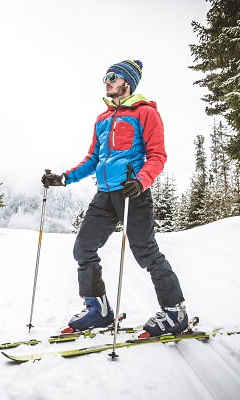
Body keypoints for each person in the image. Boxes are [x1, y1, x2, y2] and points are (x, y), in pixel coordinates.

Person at [41, 60, 188, 337]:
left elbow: (157, 156)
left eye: (113, 77)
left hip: (133, 192)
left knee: (146, 253)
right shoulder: (102, 119)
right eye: (106, 77)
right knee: (83, 249)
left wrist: (141, 181)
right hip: (105, 194)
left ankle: (175, 312)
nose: (106, 81)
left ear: (127, 83)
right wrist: (63, 178)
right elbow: (93, 159)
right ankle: (98, 309)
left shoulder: (146, 113)